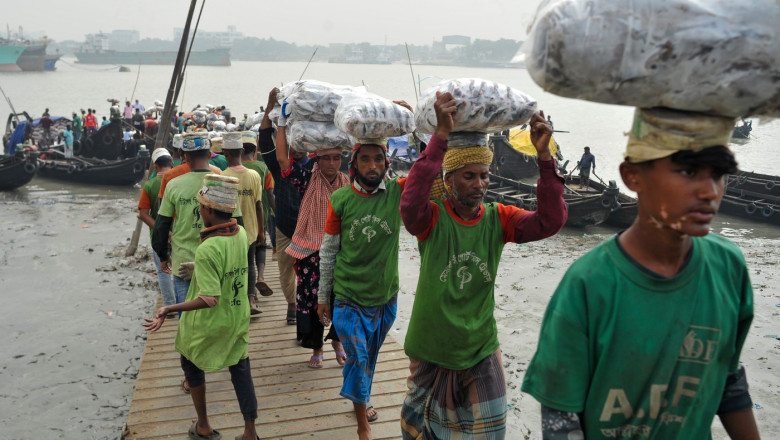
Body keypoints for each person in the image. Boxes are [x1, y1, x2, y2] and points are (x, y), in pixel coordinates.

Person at [522, 107, 759, 439]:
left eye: (718, 174)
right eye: (689, 172)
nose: (710, 191)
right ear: (633, 176)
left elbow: (728, 380)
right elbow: (561, 420)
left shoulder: (729, 267)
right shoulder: (589, 285)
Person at [398, 92, 567, 440]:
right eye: (469, 177)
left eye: (485, 176)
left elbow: (550, 221)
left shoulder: (497, 220)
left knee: (491, 433)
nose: (480, 185)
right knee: (421, 433)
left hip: (480, 349)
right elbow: (411, 200)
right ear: (448, 180)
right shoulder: (431, 220)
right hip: (431, 349)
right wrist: (440, 137)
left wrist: (544, 156)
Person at [143, 173, 259, 440]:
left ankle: (204, 425)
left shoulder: (207, 248)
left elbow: (209, 298)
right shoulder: (240, 233)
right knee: (241, 369)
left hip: (209, 323)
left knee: (190, 362)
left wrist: (168, 309)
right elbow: (230, 266)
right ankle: (250, 432)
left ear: (206, 210)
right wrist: (200, 268)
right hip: (237, 315)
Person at [317, 114, 410, 440]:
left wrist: (415, 124)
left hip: (385, 296)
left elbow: (430, 173)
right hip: (348, 297)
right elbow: (328, 253)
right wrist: (322, 297)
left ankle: (362, 396)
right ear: (353, 164)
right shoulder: (340, 200)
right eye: (365, 159)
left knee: (368, 356)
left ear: (387, 163)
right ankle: (362, 426)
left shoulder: (397, 193)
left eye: (379, 159)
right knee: (357, 355)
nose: (373, 165)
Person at [152, 133, 239, 315]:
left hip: (183, 260)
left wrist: (163, 255)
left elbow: (161, 227)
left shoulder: (174, 184)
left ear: (185, 157)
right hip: (218, 258)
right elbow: (237, 222)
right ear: (209, 155)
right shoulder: (221, 180)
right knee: (216, 312)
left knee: (187, 318)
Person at [285, 145, 350, 369]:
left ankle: (337, 341)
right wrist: (281, 123)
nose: (332, 164)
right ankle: (317, 347)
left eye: (336, 158)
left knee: (339, 298)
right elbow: (284, 164)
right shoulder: (306, 180)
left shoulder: (348, 183)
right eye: (326, 159)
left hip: (341, 251)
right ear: (317, 160)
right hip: (311, 251)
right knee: (313, 301)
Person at [258, 88, 315, 326]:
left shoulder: (318, 166)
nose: (299, 147)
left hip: (311, 228)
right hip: (283, 227)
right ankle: (292, 303)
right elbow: (264, 140)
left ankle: (307, 307)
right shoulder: (281, 167)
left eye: (304, 142)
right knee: (285, 270)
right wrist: (270, 104)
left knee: (311, 272)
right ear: (289, 143)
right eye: (295, 142)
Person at [221, 131, 264, 316]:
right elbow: (259, 205)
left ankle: (235, 301)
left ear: (225, 154)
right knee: (250, 264)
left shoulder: (222, 176)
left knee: (233, 267)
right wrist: (261, 231)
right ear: (241, 150)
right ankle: (251, 299)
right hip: (251, 229)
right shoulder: (254, 175)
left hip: (230, 231)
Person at [138, 148, 176, 311]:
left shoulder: (150, 186)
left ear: (155, 165)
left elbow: (143, 214)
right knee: (184, 268)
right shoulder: (179, 180)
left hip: (158, 237)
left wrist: (162, 229)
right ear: (171, 162)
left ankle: (170, 306)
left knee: (164, 270)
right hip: (181, 233)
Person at [241, 131, 275, 294]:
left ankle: (249, 292)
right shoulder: (263, 168)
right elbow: (270, 192)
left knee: (246, 255)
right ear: (255, 151)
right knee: (260, 246)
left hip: (240, 218)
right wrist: (276, 212)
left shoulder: (231, 169)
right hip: (260, 215)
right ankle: (261, 276)